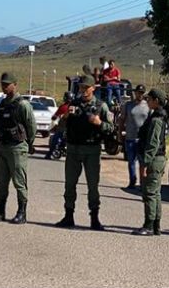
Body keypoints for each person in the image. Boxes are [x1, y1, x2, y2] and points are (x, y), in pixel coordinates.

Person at [55, 78, 114, 230]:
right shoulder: (74, 104)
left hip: (91, 150)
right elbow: (61, 126)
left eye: (87, 87)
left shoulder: (101, 106)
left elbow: (111, 129)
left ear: (93, 88)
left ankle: (94, 218)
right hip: (74, 148)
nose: (84, 90)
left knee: (92, 186)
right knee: (69, 184)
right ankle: (69, 216)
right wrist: (65, 116)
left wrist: (99, 123)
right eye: (82, 87)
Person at [0, 72, 36, 224]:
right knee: (2, 181)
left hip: (17, 147)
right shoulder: (3, 104)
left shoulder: (22, 105)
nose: (4, 87)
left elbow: (31, 126)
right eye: (2, 84)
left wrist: (28, 143)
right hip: (3, 145)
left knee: (19, 181)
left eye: (7, 84)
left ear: (14, 85)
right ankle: (0, 210)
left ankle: (22, 212)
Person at [132, 88, 169, 236]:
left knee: (149, 193)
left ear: (156, 101)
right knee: (156, 193)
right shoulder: (159, 116)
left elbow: (153, 143)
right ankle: (155, 225)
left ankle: (149, 225)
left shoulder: (156, 120)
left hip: (153, 160)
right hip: (157, 159)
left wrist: (145, 163)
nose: (147, 101)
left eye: (149, 99)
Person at [121, 85, 149, 189]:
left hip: (142, 139)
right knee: (131, 161)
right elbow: (122, 119)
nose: (140, 94)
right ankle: (132, 181)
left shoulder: (147, 106)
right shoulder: (128, 105)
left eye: (142, 92)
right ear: (135, 93)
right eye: (138, 92)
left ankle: (142, 183)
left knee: (142, 162)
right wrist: (120, 133)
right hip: (130, 137)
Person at [46, 92, 73, 160]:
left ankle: (49, 153)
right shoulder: (74, 107)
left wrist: (55, 117)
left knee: (55, 139)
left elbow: (55, 116)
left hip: (62, 127)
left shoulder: (63, 107)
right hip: (71, 128)